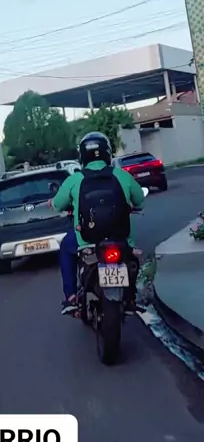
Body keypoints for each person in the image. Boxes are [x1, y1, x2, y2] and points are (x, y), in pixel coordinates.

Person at [49, 131, 145, 315]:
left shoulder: (75, 179)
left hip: (86, 240)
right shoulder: (122, 175)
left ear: (82, 156)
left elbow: (58, 204)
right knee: (131, 258)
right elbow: (140, 200)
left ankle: (71, 296)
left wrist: (53, 204)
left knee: (66, 248)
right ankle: (130, 298)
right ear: (108, 153)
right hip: (120, 238)